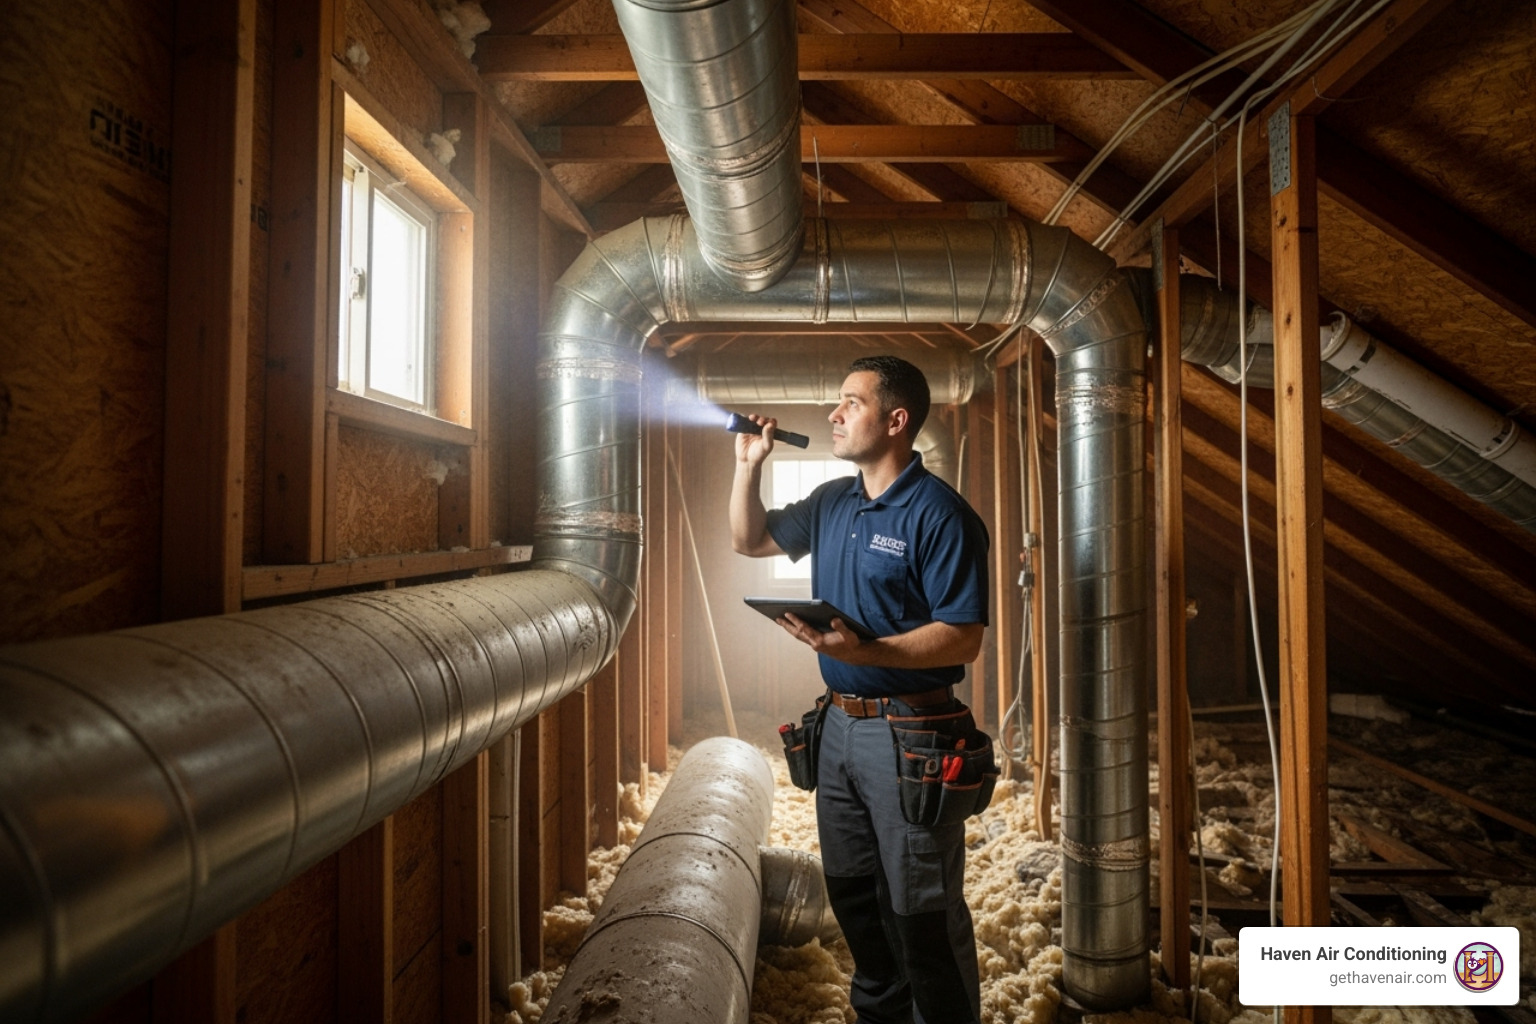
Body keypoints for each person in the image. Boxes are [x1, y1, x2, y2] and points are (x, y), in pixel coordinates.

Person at [729, 355, 990, 1024]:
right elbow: (748, 539)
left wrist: (867, 650)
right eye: (837, 401)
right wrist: (748, 464)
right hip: (840, 729)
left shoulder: (941, 516)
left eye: (852, 402)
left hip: (911, 734)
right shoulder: (832, 501)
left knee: (921, 911)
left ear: (896, 421)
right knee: (856, 899)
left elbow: (963, 636)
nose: (833, 413)